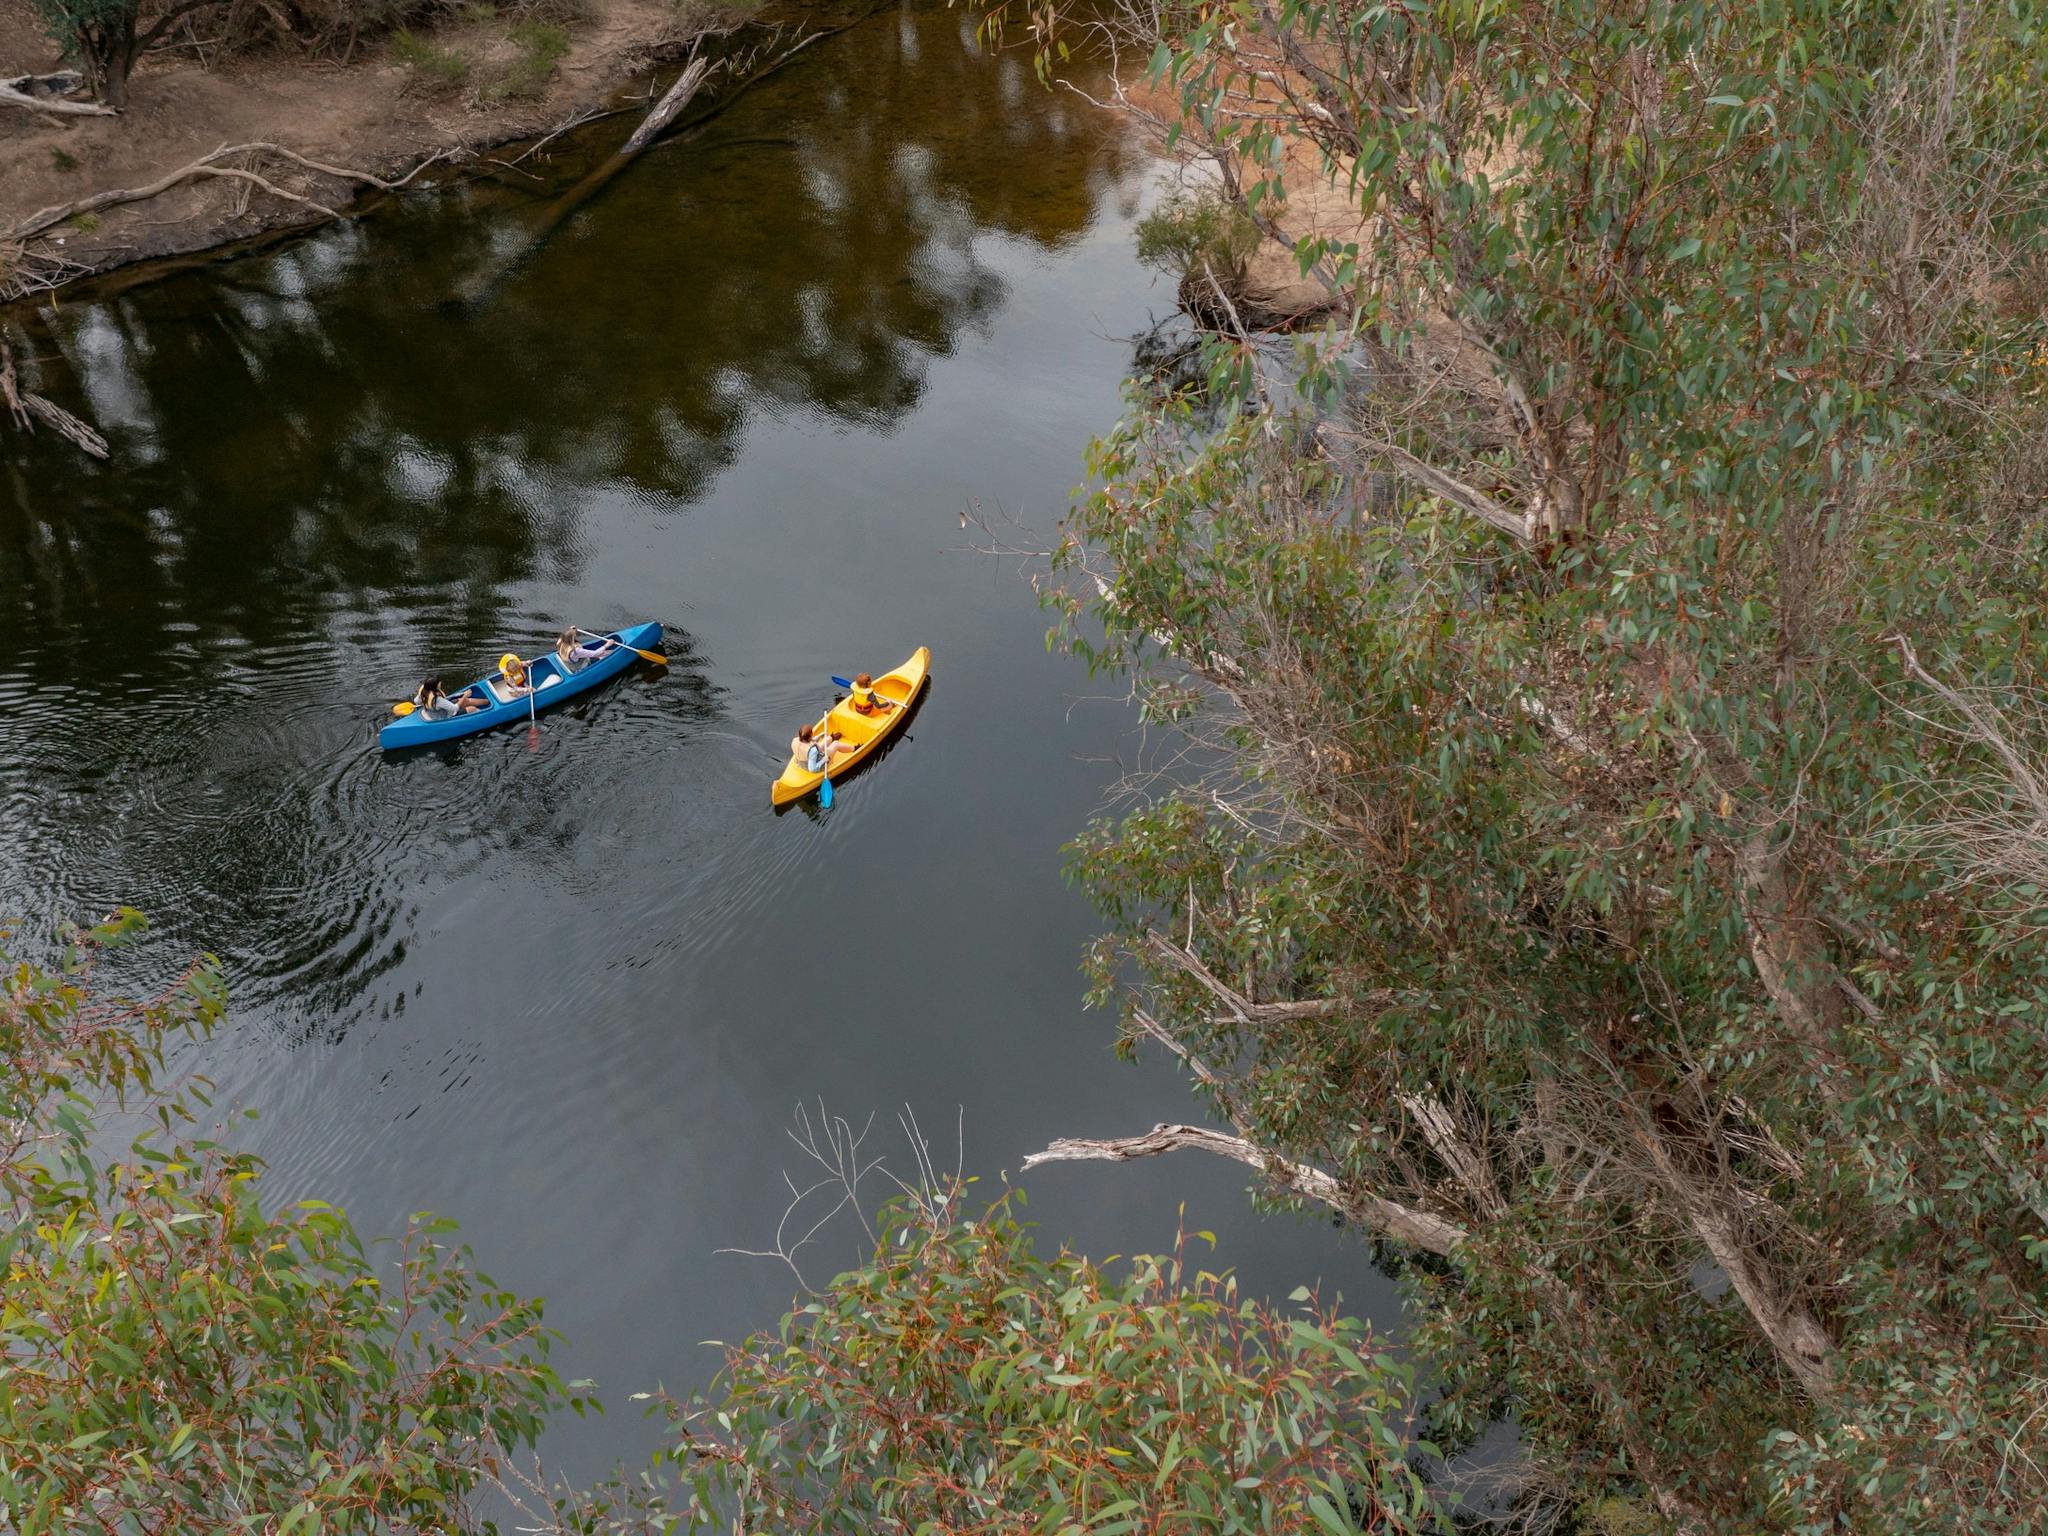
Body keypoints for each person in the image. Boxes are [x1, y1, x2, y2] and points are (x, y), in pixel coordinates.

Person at [414, 676, 485, 719]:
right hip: (442, 716)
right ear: (434, 687)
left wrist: (463, 697)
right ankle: (485, 715)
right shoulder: (437, 699)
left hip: (433, 712)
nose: (440, 686)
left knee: (465, 701)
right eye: (439, 685)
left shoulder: (423, 692)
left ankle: (487, 701)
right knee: (472, 709)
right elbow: (455, 708)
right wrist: (465, 695)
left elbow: (416, 701)